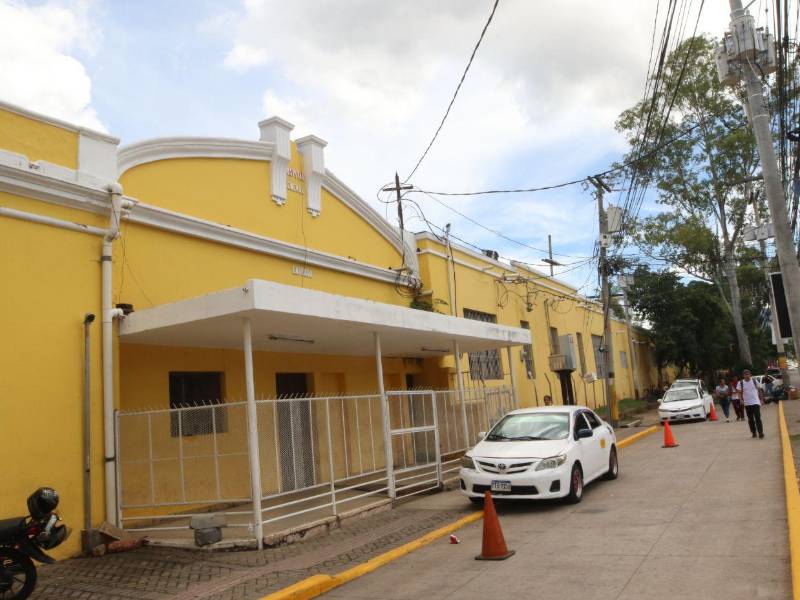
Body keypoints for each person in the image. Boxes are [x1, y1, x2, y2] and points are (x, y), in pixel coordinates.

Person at [737, 369, 764, 438]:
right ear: (743, 375)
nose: (747, 376)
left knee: (757, 417)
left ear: (750, 375)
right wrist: (740, 400)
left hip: (755, 402)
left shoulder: (754, 381)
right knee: (751, 419)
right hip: (747, 403)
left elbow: (759, 390)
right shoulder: (741, 383)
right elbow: (739, 392)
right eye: (745, 374)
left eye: (748, 374)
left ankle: (760, 433)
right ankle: (754, 432)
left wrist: (761, 399)